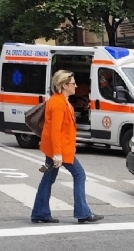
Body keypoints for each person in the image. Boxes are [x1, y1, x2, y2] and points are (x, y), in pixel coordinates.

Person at [31, 70, 104, 224]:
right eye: (72, 83)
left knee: (48, 179)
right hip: (60, 149)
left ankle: (40, 213)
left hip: (58, 148)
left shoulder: (62, 101)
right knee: (79, 175)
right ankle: (82, 213)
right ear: (64, 85)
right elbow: (55, 131)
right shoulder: (58, 103)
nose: (76, 86)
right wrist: (57, 154)